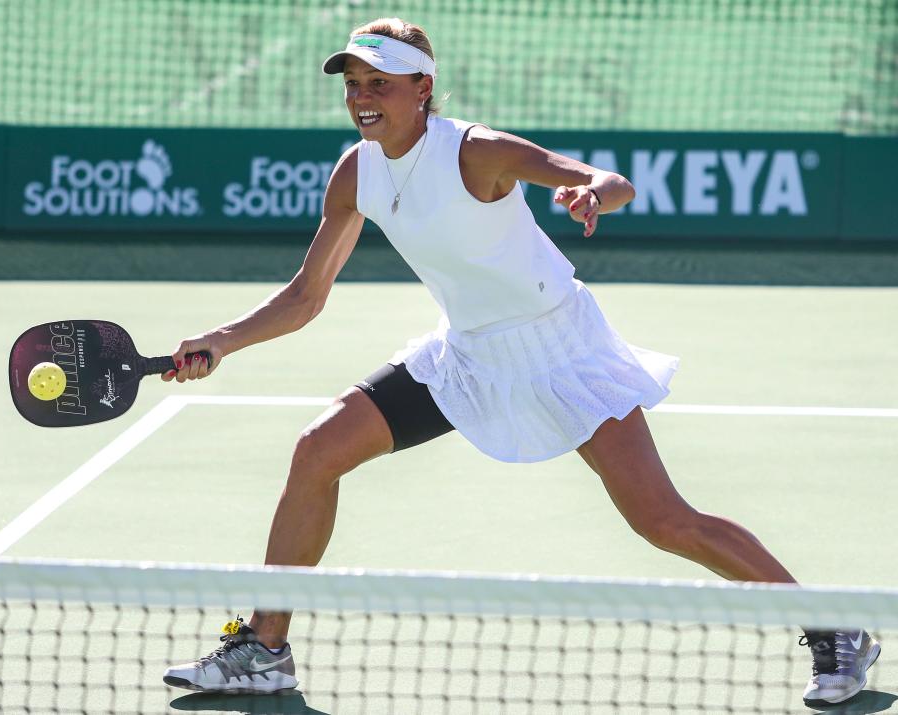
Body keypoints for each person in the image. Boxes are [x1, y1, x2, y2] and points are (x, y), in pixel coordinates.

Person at [160, 18, 879, 707]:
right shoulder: (356, 172)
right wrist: (221, 340)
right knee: (316, 449)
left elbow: (610, 178)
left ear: (421, 87)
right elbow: (306, 296)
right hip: (465, 354)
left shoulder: (478, 150)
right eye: (352, 83)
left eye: (378, 83)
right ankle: (265, 648)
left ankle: (833, 628)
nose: (360, 98)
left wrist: (590, 193)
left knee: (663, 520)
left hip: (558, 348)